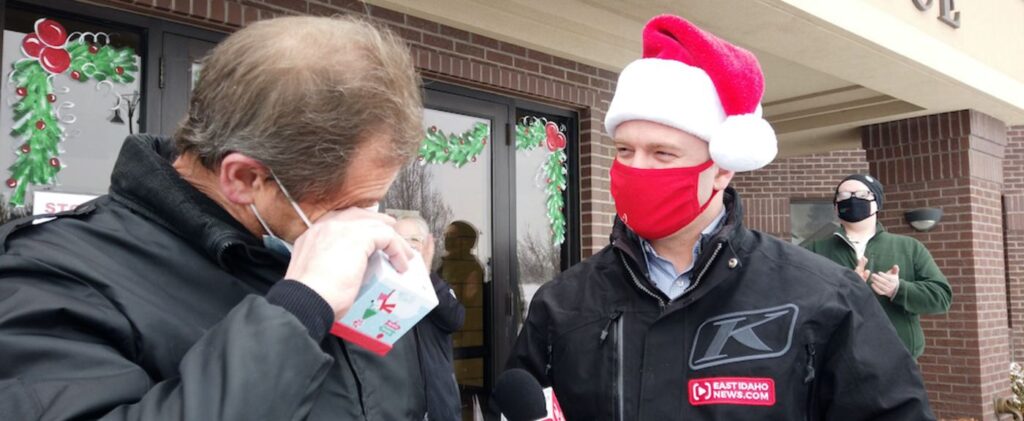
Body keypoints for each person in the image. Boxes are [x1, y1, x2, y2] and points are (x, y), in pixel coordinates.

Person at [506, 14, 935, 420]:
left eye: (662, 153)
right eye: (624, 150)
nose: (637, 169)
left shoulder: (823, 298)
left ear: (721, 168)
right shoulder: (562, 303)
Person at [0, 16, 429, 420]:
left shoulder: (322, 246)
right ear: (244, 178)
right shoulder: (53, 276)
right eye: (345, 205)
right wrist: (298, 310)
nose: (365, 223)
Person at [805, 174, 952, 360]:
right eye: (843, 196)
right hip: (835, 361)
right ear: (835, 207)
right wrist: (841, 290)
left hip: (897, 361)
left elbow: (941, 298)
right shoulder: (815, 249)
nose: (852, 199)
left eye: (862, 194)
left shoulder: (909, 247)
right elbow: (796, 298)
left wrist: (899, 289)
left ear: (877, 203)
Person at [396, 215, 466, 421]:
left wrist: (424, 276)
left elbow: (455, 318)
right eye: (400, 240)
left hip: (439, 404)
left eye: (414, 240)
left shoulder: (436, 286)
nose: (407, 247)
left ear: (427, 245)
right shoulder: (379, 290)